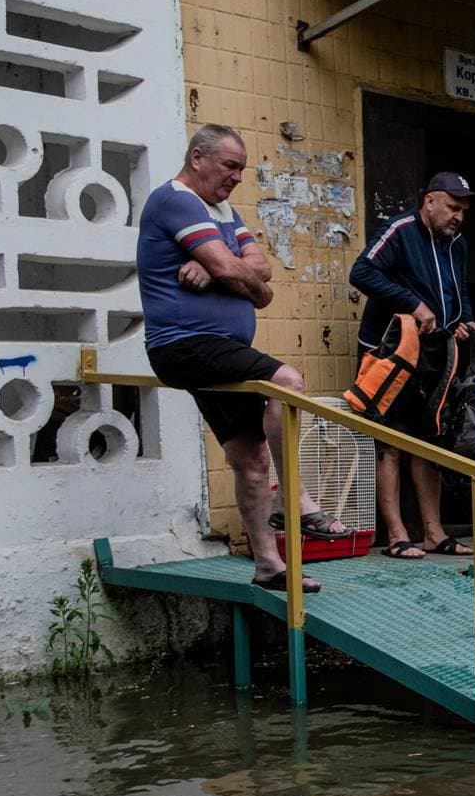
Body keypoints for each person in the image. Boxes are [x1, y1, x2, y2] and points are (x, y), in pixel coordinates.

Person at [139, 123, 350, 593]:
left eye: (241, 169)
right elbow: (238, 272)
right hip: (185, 344)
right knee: (287, 381)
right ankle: (294, 498)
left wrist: (217, 267)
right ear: (198, 158)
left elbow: (262, 270)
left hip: (220, 349)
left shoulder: (223, 212)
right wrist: (227, 270)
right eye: (230, 166)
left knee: (250, 458)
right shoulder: (176, 200)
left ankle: (269, 566)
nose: (236, 177)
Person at [348, 172, 475, 559]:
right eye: (453, 207)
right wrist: (412, 303)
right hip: (391, 352)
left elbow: (459, 289)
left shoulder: (457, 243)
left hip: (436, 354)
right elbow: (361, 272)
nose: (458, 216)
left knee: (429, 440)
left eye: (463, 211)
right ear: (430, 201)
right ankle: (396, 535)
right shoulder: (401, 230)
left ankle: (434, 533)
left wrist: (464, 320)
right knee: (390, 443)